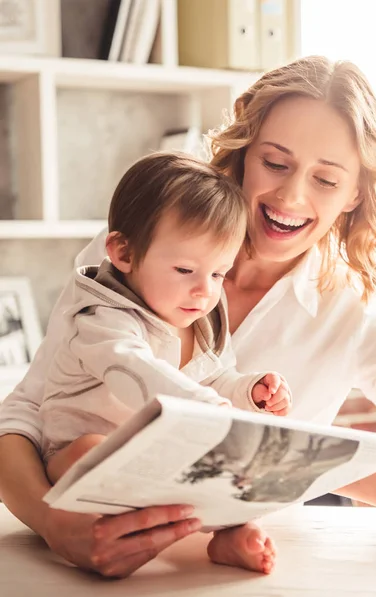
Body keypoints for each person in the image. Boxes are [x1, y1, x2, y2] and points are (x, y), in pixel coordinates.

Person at [2, 55, 376, 580]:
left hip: (236, 570)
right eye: (275, 163)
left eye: (325, 179)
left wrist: (294, 466)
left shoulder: (353, 309)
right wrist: (54, 525)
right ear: (245, 153)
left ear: (355, 194)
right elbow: (22, 415)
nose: (291, 197)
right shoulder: (142, 249)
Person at [39, 151, 292, 574]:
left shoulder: (202, 319)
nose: (203, 291)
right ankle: (127, 533)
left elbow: (215, 376)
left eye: (217, 275)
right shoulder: (102, 320)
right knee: (98, 452)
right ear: (124, 253)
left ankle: (230, 532)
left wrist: (248, 390)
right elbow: (134, 373)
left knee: (229, 473)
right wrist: (204, 407)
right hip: (72, 449)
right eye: (185, 269)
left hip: (156, 449)